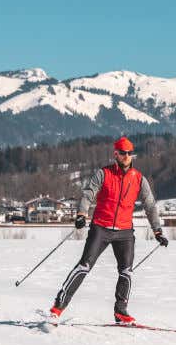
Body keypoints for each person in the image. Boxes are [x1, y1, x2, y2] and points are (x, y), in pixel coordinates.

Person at [47, 137, 167, 324]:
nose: (127, 156)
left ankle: (121, 311)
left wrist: (157, 230)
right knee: (84, 266)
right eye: (123, 153)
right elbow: (89, 193)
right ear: (116, 154)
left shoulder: (139, 179)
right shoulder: (104, 174)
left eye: (129, 153)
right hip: (101, 227)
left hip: (125, 232)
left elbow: (150, 205)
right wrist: (81, 214)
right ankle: (58, 307)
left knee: (126, 271)